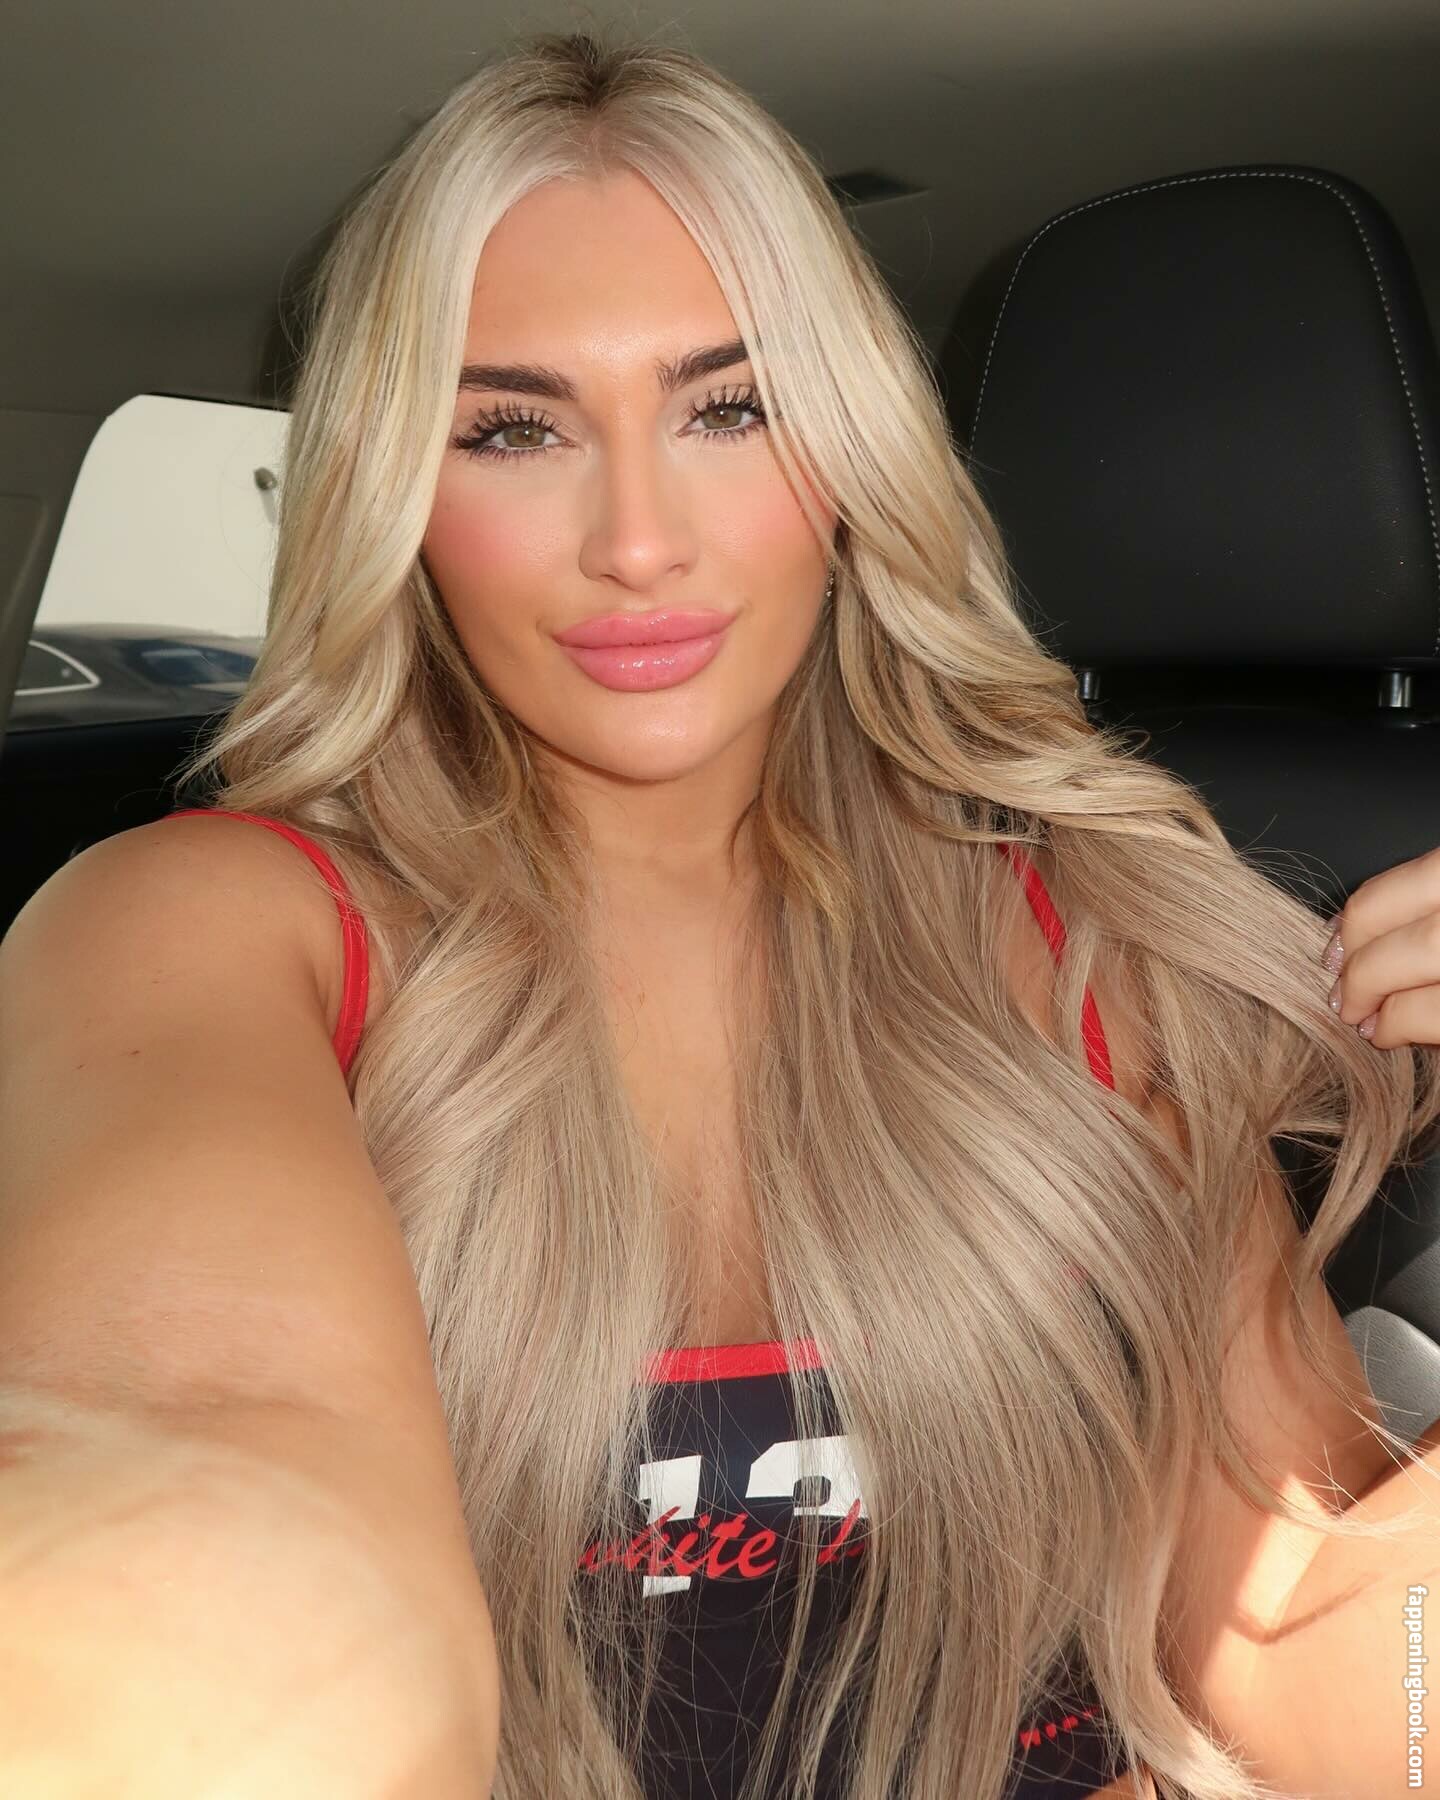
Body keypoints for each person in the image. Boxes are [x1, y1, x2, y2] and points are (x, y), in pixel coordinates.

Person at [3, 26, 1439, 1800]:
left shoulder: (1088, 947)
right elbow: (199, 1480)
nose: (639, 540)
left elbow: (1331, 1664)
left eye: (728, 408)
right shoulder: (214, 937)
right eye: (513, 427)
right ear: (398, 494)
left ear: (847, 458)